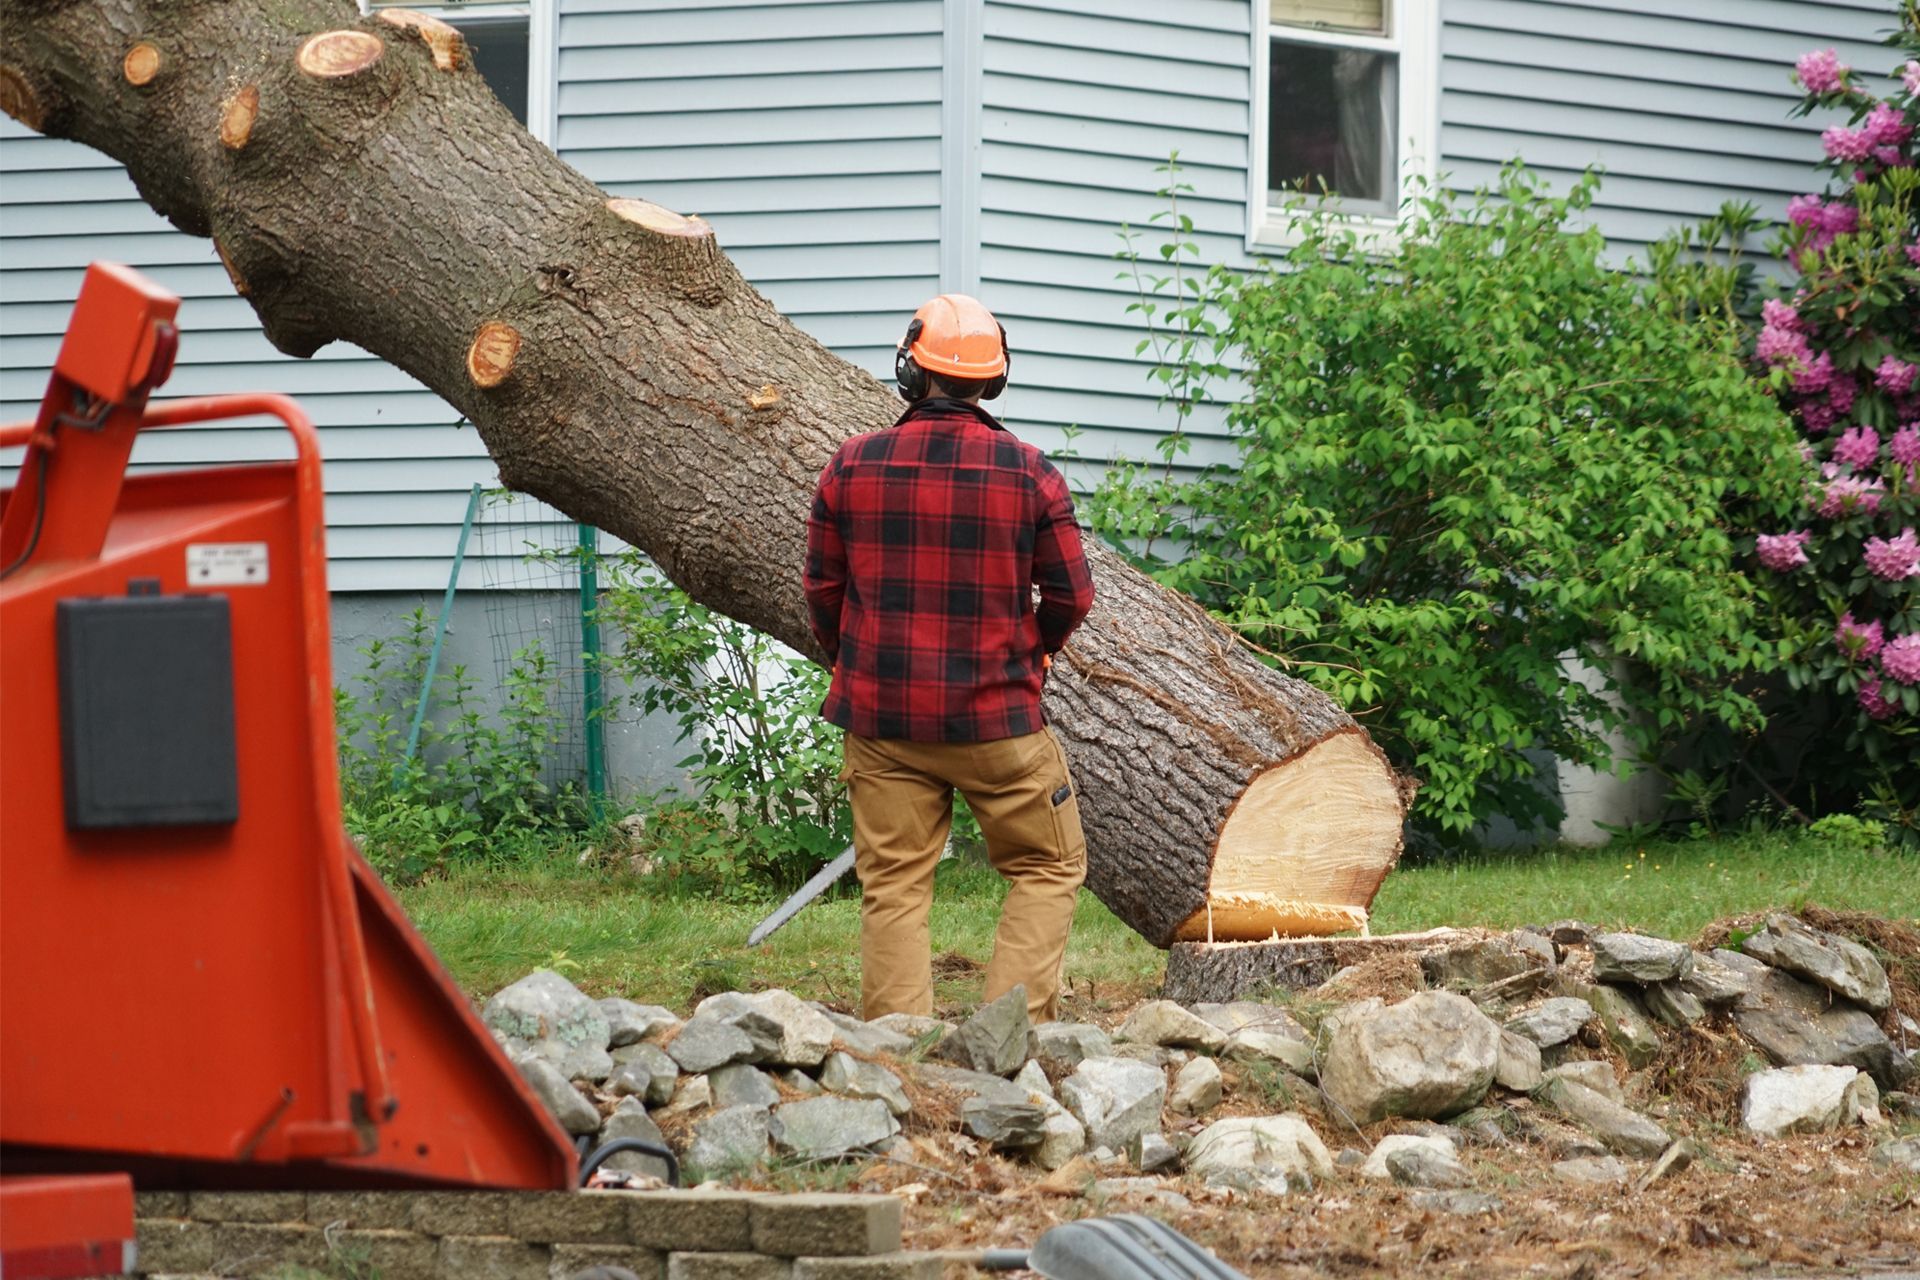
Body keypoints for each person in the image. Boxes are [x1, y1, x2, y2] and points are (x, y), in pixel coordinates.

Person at [803, 294, 1096, 1023]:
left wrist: (860, 663)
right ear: (994, 381)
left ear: (910, 369)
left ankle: (896, 1057)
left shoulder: (851, 464)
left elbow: (822, 590)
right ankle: (1010, 1039)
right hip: (997, 722)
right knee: (1048, 865)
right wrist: (1036, 649)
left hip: (882, 722)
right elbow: (1072, 596)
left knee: (894, 884)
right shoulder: (1031, 474)